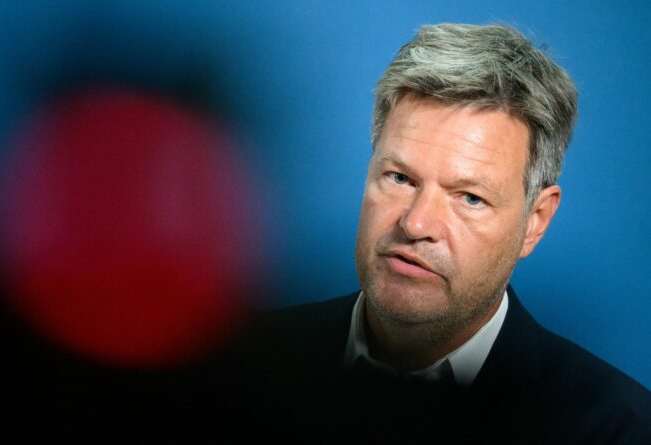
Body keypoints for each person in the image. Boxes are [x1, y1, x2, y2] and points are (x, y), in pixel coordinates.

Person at [227, 23, 651, 444]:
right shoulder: (238, 366)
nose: (415, 225)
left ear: (535, 221)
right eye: (400, 178)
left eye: (470, 198)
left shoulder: (617, 428)